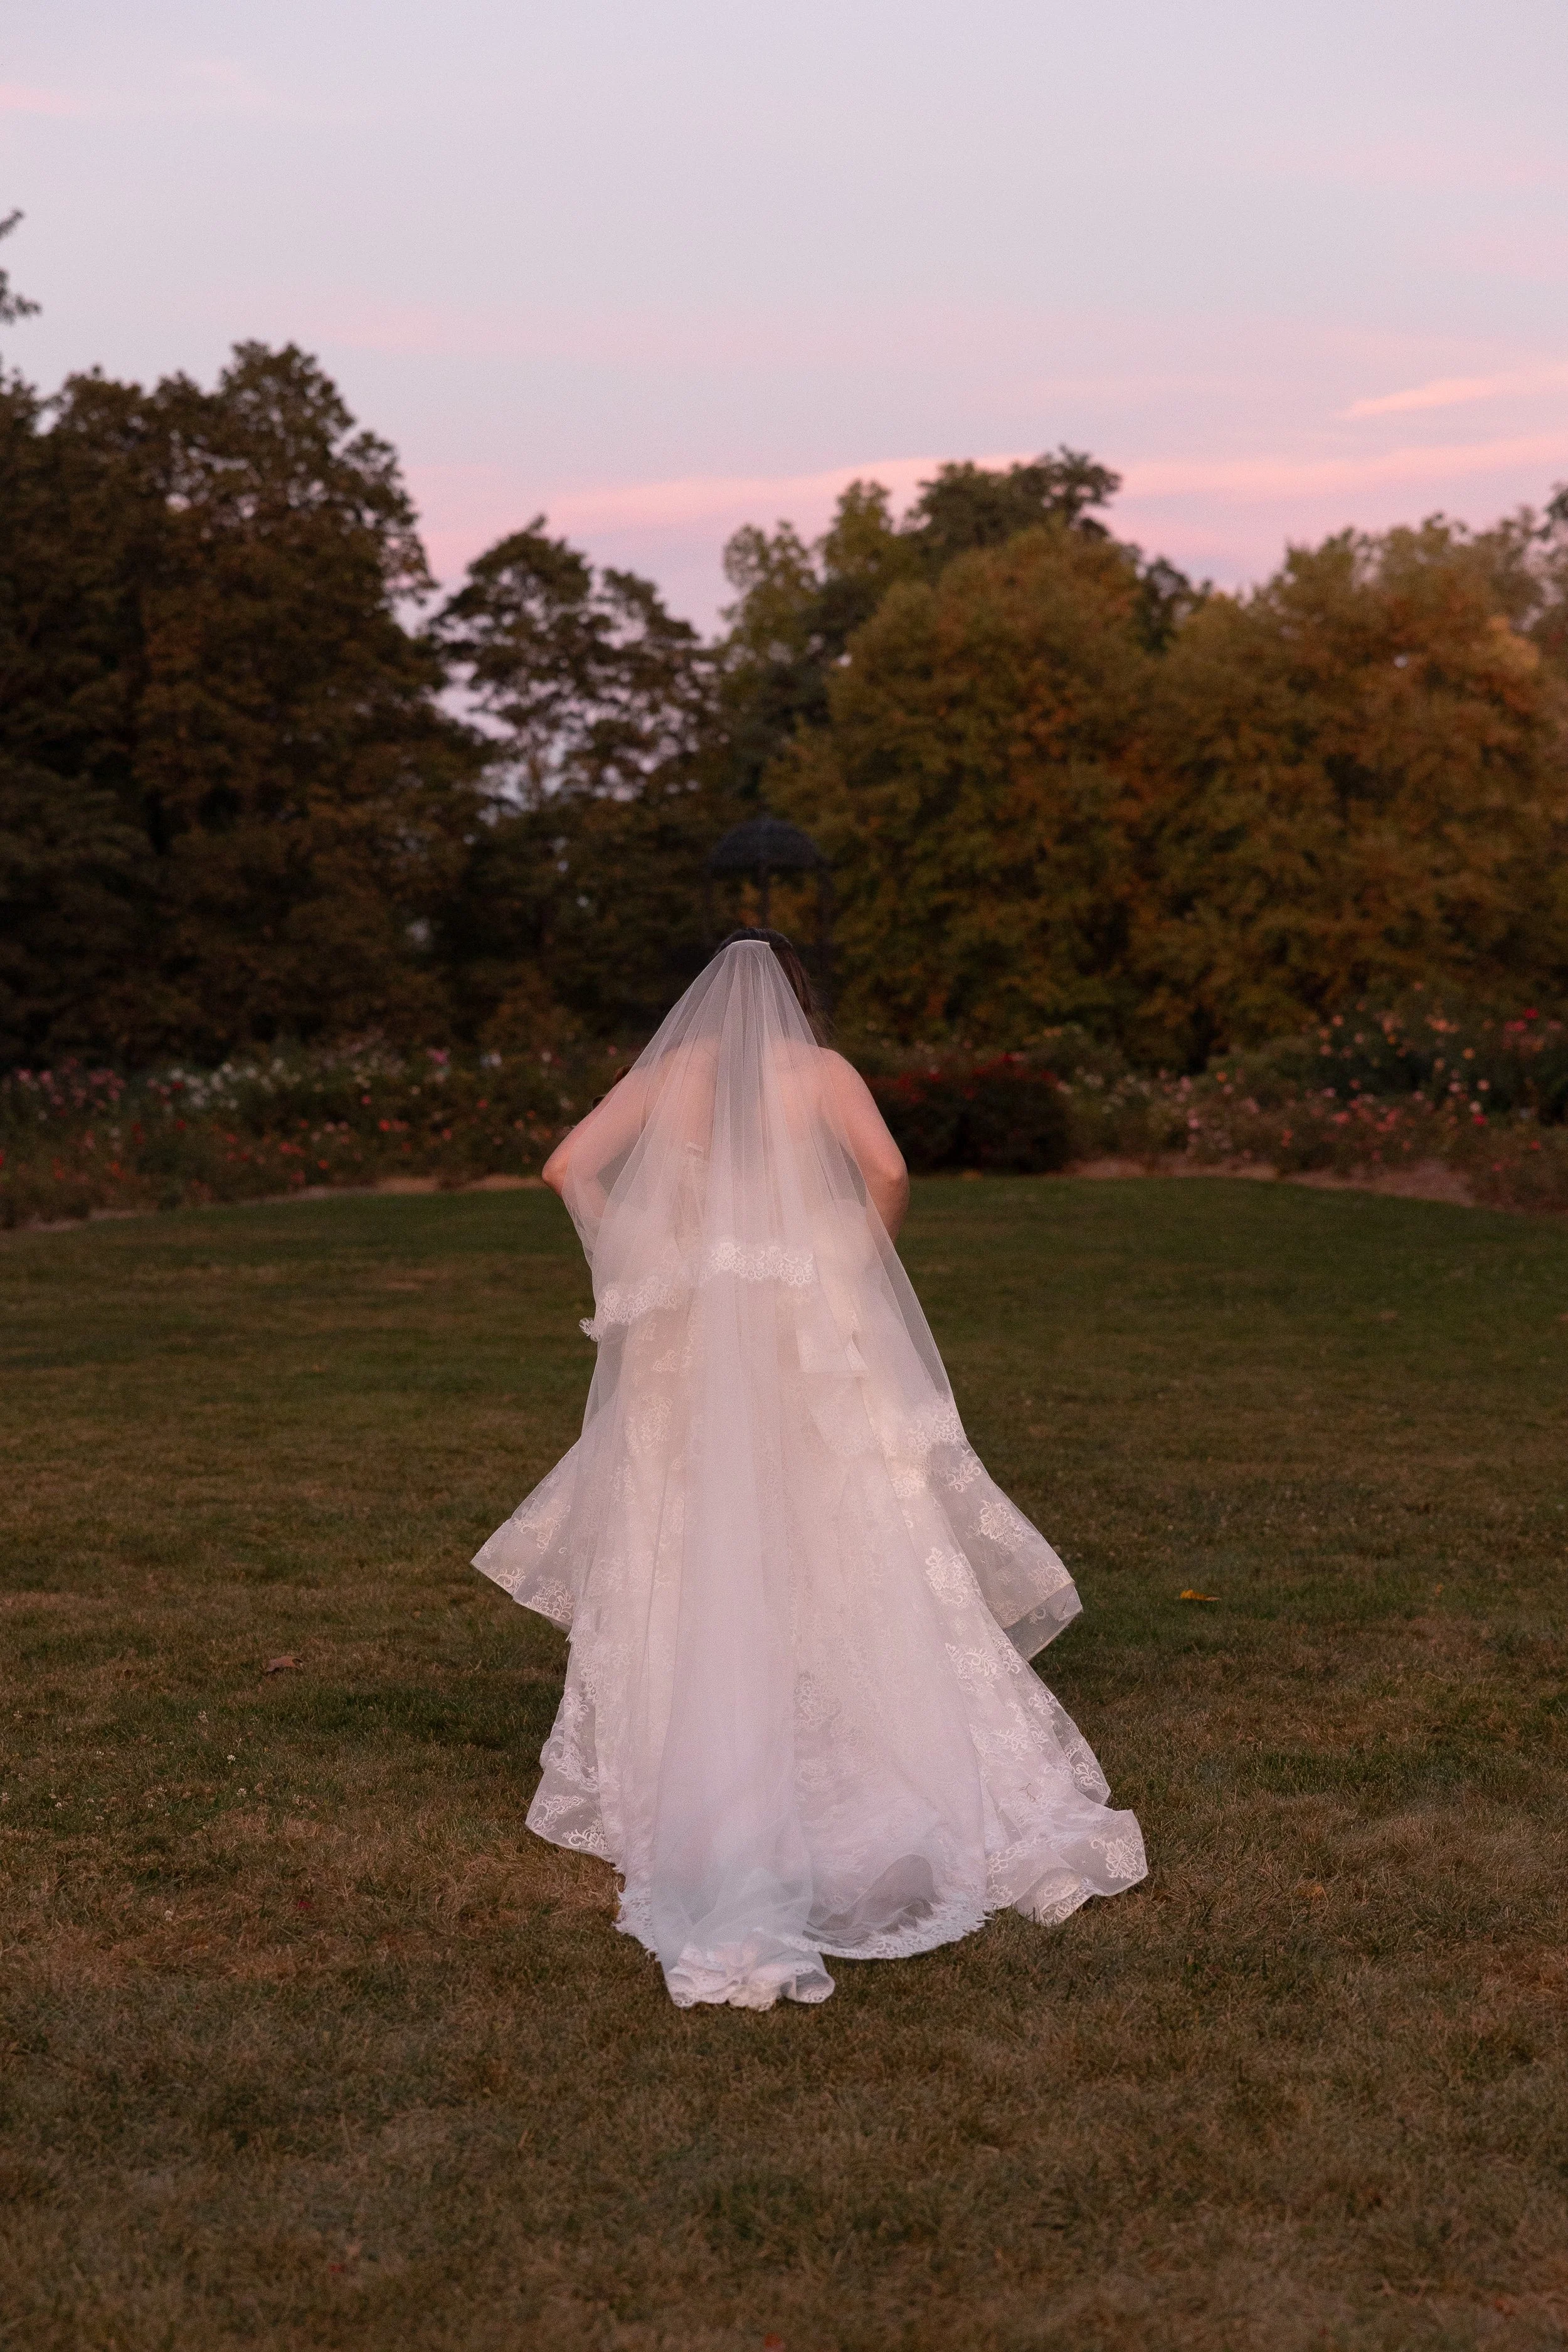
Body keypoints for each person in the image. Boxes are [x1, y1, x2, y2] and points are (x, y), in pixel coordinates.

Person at [475, 931, 1145, 2009]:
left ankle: (697, 1760)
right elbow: (885, 1172)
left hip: (691, 1337)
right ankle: (875, 1730)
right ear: (796, 999)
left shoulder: (669, 1075)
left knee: (688, 1532)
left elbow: (567, 1167)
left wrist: (644, 1251)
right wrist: (850, 1251)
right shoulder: (822, 1073)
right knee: (848, 1522)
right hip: (808, 1333)